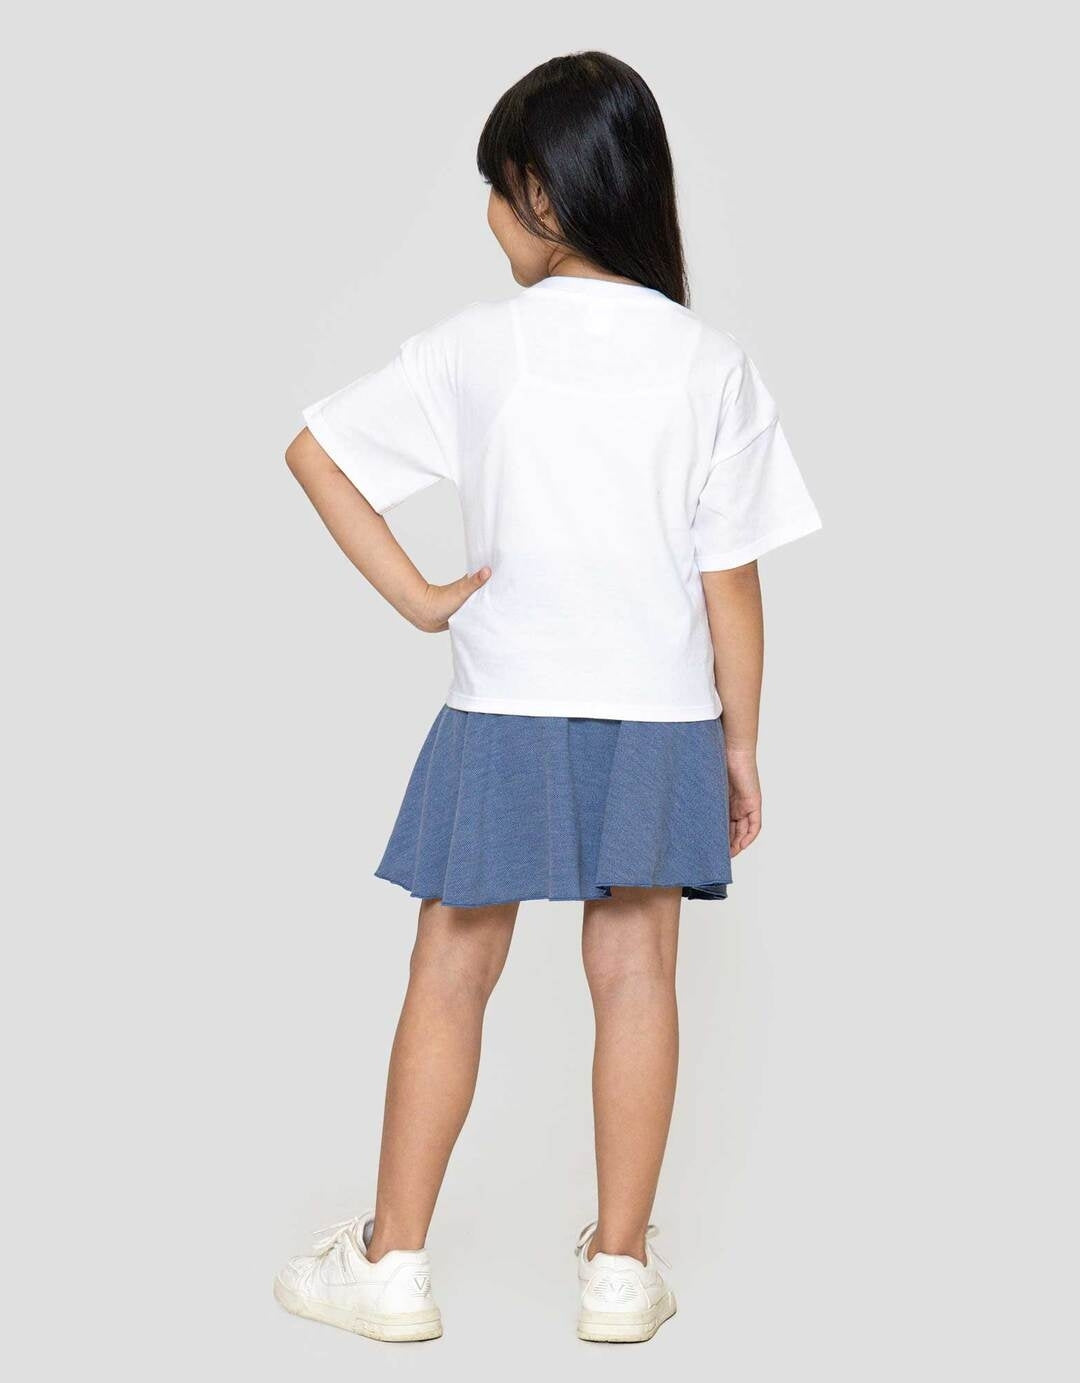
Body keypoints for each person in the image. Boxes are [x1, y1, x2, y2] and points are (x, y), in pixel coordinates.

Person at [274, 50, 821, 1345]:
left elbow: (316, 450)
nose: (486, 215)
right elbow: (732, 585)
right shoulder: (709, 364)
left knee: (450, 971)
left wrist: (421, 598)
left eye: (494, 188)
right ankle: (619, 1273)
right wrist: (741, 743)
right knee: (637, 976)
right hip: (661, 719)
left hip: (504, 709)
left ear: (544, 190)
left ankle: (392, 1265)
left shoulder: (482, 348)